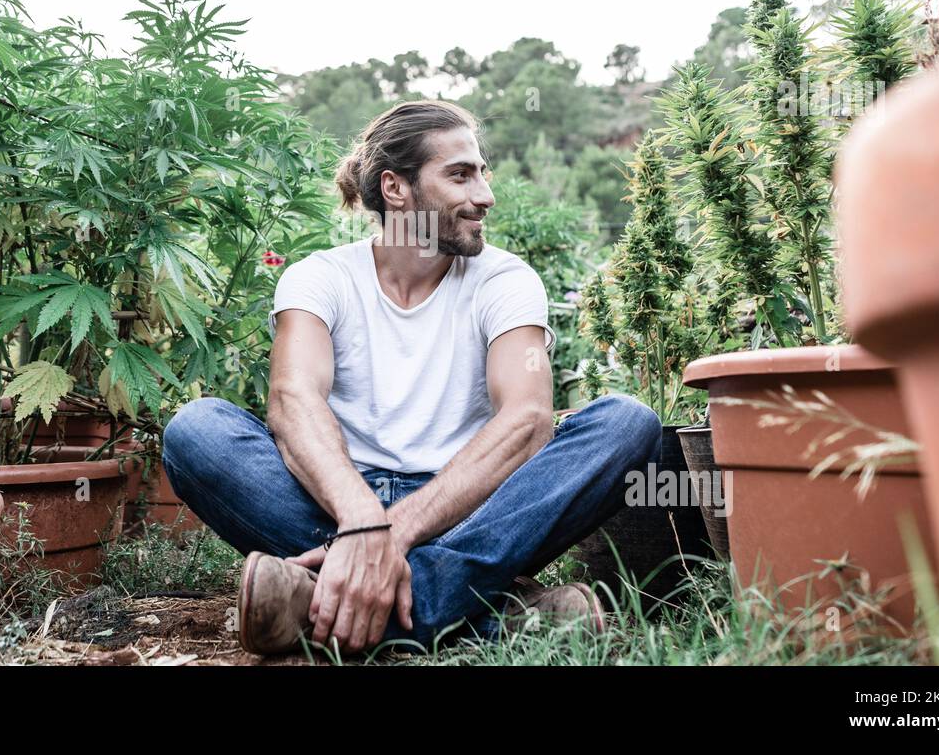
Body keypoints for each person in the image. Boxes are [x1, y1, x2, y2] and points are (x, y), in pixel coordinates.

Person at [161, 99, 661, 655]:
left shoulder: (505, 280)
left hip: (466, 508)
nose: (485, 196)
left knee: (627, 424)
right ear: (396, 189)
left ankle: (324, 601)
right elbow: (293, 400)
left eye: (482, 173)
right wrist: (359, 518)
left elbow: (528, 419)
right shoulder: (320, 278)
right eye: (460, 175)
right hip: (334, 500)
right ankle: (483, 612)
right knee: (196, 430)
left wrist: (385, 538)